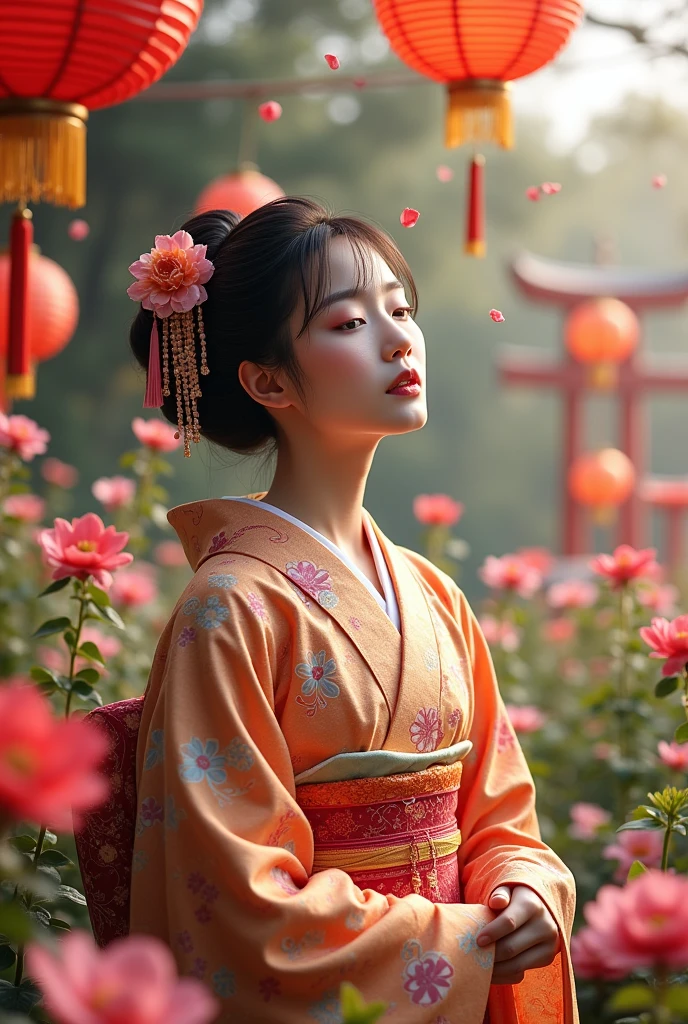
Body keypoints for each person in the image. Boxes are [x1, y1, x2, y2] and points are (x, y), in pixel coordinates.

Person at [127, 197, 578, 1023]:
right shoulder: (227, 610)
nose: (399, 339)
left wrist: (526, 893)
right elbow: (237, 903)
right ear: (267, 382)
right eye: (347, 324)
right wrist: (467, 940)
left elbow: (501, 817)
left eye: (401, 311)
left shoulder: (434, 594)